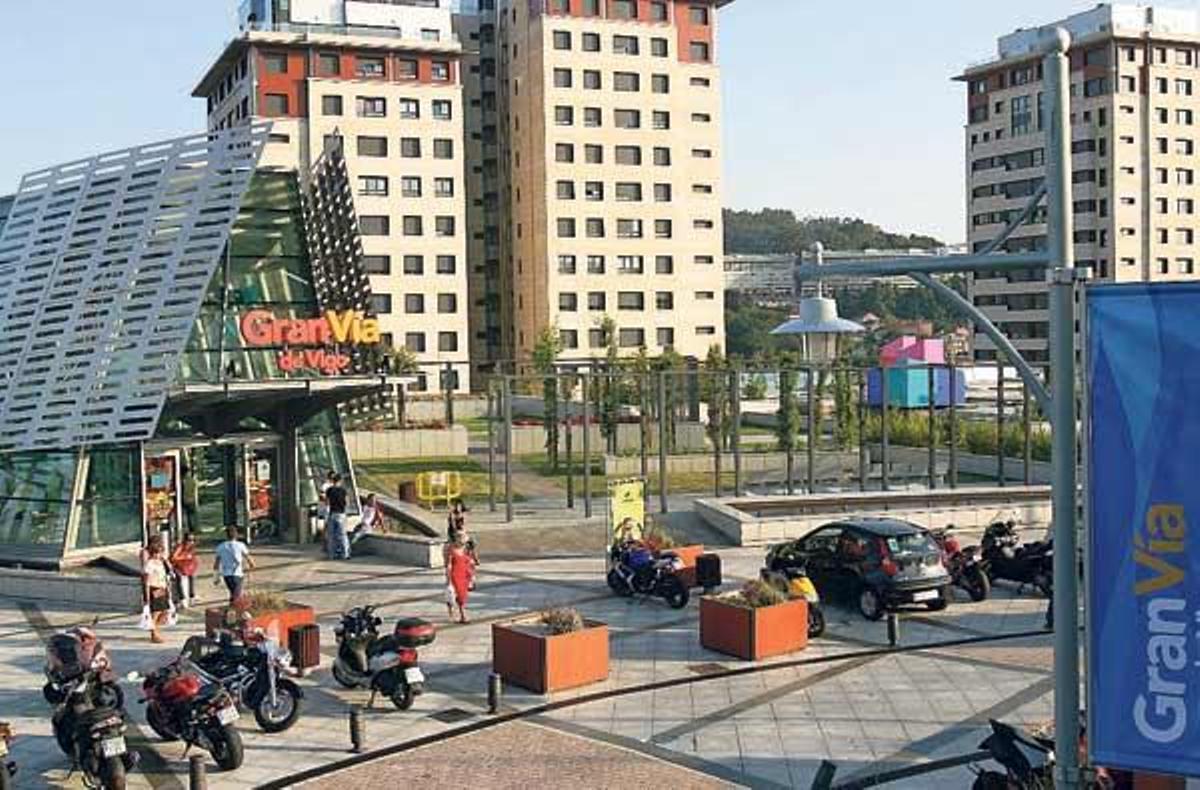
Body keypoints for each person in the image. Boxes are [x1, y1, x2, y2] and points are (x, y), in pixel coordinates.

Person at [142, 535, 173, 643]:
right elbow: (146, 581)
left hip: (162, 587)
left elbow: (168, 572)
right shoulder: (149, 564)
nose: (160, 554)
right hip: (154, 588)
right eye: (158, 552)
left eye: (161, 552)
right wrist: (146, 596)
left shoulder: (160, 562)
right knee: (156, 612)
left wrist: (165, 560)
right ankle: (154, 633)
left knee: (164, 611)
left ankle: (156, 629)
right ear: (153, 553)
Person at [213, 526, 254, 606]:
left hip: (226, 575)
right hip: (237, 573)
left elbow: (216, 564)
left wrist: (216, 577)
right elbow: (250, 560)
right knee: (237, 595)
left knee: (233, 593)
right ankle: (234, 612)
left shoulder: (220, 546)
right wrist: (251, 567)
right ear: (236, 535)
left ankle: (232, 611)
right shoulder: (240, 545)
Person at [445, 531, 475, 624]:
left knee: (463, 595)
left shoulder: (466, 549)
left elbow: (470, 562)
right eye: (461, 538)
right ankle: (463, 616)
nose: (463, 540)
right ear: (457, 539)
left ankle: (452, 608)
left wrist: (472, 575)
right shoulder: (451, 550)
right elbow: (449, 565)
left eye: (464, 538)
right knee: (459, 595)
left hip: (465, 574)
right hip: (455, 575)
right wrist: (448, 579)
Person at [170, 532, 199, 608]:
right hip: (177, 567)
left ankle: (192, 596)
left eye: (193, 540)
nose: (191, 542)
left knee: (192, 576)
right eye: (189, 540)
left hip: (187, 567)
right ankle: (182, 598)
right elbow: (173, 557)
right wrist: (184, 557)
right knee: (178, 578)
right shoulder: (180, 547)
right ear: (185, 540)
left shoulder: (192, 548)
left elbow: (193, 558)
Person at [325, 473, 350, 559]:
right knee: (342, 535)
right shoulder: (343, 490)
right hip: (341, 514)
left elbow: (327, 502)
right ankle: (345, 554)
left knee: (331, 536)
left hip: (332, 514)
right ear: (340, 481)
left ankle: (331, 555)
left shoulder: (329, 490)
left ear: (333, 480)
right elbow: (347, 502)